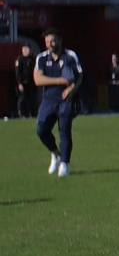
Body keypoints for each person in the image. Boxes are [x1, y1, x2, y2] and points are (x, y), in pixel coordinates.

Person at [34, 29, 82, 177]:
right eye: (47, 42)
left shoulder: (70, 56)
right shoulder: (41, 58)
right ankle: (56, 153)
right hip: (49, 99)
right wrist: (60, 81)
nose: (50, 44)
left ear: (60, 40)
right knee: (41, 130)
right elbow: (38, 80)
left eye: (53, 41)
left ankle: (64, 164)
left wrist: (72, 89)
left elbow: (79, 76)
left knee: (65, 131)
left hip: (66, 99)